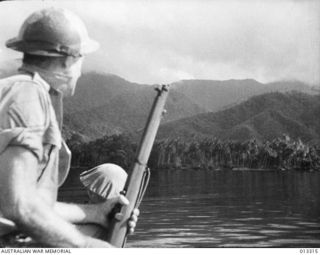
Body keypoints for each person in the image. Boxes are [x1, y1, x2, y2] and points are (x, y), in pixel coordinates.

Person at [0, 7, 138, 248]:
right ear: (68, 59)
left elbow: (30, 204)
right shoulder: (27, 96)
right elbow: (19, 206)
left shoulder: (25, 91)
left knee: (98, 228)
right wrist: (84, 246)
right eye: (81, 59)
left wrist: (96, 213)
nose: (81, 70)